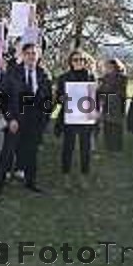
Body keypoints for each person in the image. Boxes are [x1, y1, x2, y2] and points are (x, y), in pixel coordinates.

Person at [0, 43, 52, 196]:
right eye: (29, 53)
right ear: (23, 55)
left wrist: (44, 121)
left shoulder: (43, 74)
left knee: (31, 154)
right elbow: (1, 98)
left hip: (35, 122)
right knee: (7, 154)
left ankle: (31, 183)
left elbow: (48, 100)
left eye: (34, 53)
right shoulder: (13, 73)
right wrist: (10, 119)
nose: (32, 56)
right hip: (15, 121)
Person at [55, 49, 97, 179]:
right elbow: (58, 97)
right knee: (68, 147)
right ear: (71, 62)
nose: (79, 62)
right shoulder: (63, 78)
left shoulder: (91, 77)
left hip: (86, 117)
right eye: (75, 59)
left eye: (81, 59)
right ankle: (66, 174)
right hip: (70, 117)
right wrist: (62, 99)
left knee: (86, 148)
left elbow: (95, 98)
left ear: (85, 61)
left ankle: (84, 174)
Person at [97, 58, 127, 152]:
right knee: (107, 125)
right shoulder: (105, 77)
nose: (108, 68)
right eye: (107, 66)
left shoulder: (121, 77)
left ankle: (116, 148)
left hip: (116, 104)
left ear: (115, 66)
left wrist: (102, 85)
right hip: (107, 103)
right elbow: (101, 90)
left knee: (115, 126)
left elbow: (109, 88)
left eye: (110, 66)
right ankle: (109, 147)